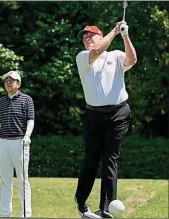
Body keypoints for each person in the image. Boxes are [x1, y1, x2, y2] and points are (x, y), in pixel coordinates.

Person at [74, 21, 137, 219]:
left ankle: (106, 208)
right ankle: (81, 200)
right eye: (84, 37)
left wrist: (125, 36)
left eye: (91, 36)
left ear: (100, 36)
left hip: (119, 113)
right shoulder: (83, 57)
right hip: (94, 115)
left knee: (110, 159)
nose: (87, 39)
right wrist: (115, 30)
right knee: (91, 160)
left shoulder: (115, 55)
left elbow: (132, 60)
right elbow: (98, 50)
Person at [0, 71, 35, 217]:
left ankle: (25, 214)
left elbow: (30, 120)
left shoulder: (27, 99)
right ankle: (5, 213)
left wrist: (27, 136)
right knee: (5, 180)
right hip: (3, 143)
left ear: (19, 83)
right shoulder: (2, 101)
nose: (8, 82)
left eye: (12, 80)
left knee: (23, 180)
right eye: (6, 81)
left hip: (20, 143)